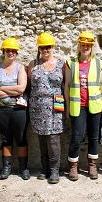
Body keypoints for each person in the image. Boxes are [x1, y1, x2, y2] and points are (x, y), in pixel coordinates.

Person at [64, 31, 102, 181]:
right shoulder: (71, 63)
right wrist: (67, 107)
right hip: (78, 106)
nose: (85, 47)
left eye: (88, 45)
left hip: (94, 105)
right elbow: (67, 85)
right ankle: (73, 166)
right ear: (79, 46)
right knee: (77, 137)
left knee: (94, 136)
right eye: (83, 45)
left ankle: (92, 165)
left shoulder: (98, 63)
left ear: (92, 47)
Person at [0, 37, 30, 180]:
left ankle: (23, 168)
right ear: (4, 52)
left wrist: (2, 88)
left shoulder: (20, 68)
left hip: (19, 110)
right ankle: (6, 168)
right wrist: (11, 91)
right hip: (2, 111)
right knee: (6, 139)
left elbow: (21, 88)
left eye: (13, 51)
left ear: (16, 53)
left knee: (21, 138)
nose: (11, 53)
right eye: (8, 50)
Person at [28, 33, 65, 184]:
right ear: (39, 48)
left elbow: (66, 86)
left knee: (53, 138)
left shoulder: (62, 64)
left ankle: (55, 170)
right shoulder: (33, 64)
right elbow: (29, 86)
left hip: (55, 106)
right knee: (42, 138)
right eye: (42, 47)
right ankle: (45, 169)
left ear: (52, 47)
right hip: (37, 106)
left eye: (48, 47)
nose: (45, 50)